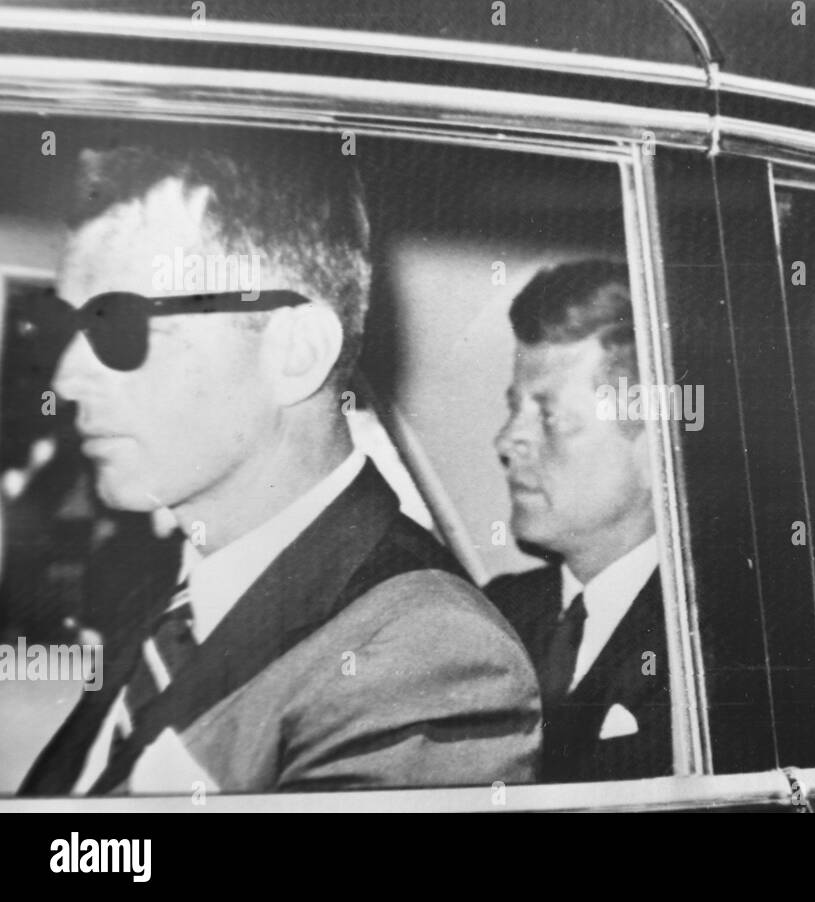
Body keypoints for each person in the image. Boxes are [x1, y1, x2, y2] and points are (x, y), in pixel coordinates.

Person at [20, 139, 540, 795]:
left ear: (295, 350)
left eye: (118, 323)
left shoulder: (426, 658)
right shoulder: (167, 593)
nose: (69, 377)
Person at [486, 260, 672, 782]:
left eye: (548, 416)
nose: (505, 441)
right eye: (513, 408)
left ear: (653, 454)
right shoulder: (495, 613)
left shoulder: (713, 644)